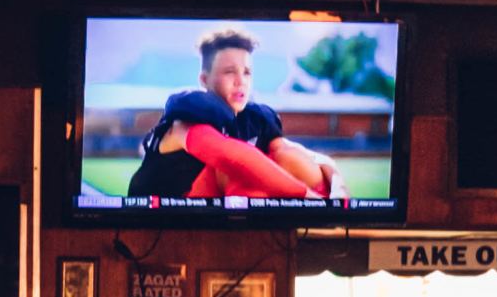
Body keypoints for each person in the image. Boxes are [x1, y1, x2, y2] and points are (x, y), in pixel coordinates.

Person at [123, 27, 337, 203]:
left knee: (284, 159)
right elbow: (229, 155)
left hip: (218, 214)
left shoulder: (254, 117)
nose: (240, 80)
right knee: (233, 172)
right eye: (229, 71)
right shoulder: (185, 119)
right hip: (159, 226)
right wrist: (308, 197)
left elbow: (292, 152)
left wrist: (335, 177)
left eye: (247, 72)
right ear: (204, 80)